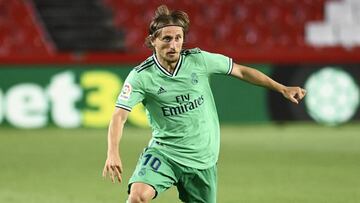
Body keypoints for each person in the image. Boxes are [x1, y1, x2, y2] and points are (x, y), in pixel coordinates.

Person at [102, 4, 306, 203]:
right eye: (166, 39)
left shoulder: (199, 61)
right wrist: (113, 153)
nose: (173, 45)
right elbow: (119, 115)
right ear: (152, 40)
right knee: (137, 196)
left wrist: (282, 88)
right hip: (164, 153)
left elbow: (241, 71)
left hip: (203, 159)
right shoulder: (141, 76)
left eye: (178, 38)